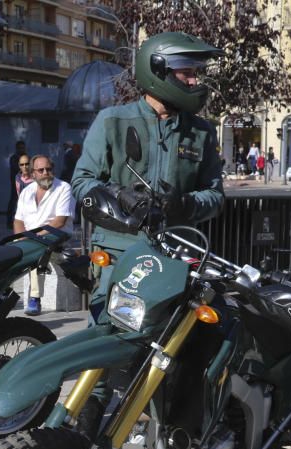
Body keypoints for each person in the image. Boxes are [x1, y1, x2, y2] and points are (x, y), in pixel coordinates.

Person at [72, 30, 226, 343]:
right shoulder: (113, 121)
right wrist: (119, 196)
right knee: (104, 347)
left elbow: (215, 196)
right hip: (120, 256)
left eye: (196, 74)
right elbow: (82, 183)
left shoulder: (201, 132)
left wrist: (185, 204)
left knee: (165, 355)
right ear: (158, 70)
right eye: (187, 74)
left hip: (174, 260)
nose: (195, 82)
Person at [14, 155, 74, 315]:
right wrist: (20, 238)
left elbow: (60, 221)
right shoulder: (26, 192)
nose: (46, 173)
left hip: (57, 235)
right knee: (7, 253)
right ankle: (4, 295)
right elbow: (18, 221)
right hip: (31, 237)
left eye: (49, 169)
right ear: (33, 174)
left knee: (36, 250)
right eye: (41, 170)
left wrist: (35, 236)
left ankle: (34, 298)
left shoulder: (63, 188)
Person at [5, 140, 27, 229]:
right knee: (13, 202)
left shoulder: (25, 157)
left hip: (26, 183)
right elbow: (17, 169)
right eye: (20, 148)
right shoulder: (14, 158)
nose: (22, 149)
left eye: (23, 148)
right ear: (17, 148)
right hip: (17, 183)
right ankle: (10, 222)